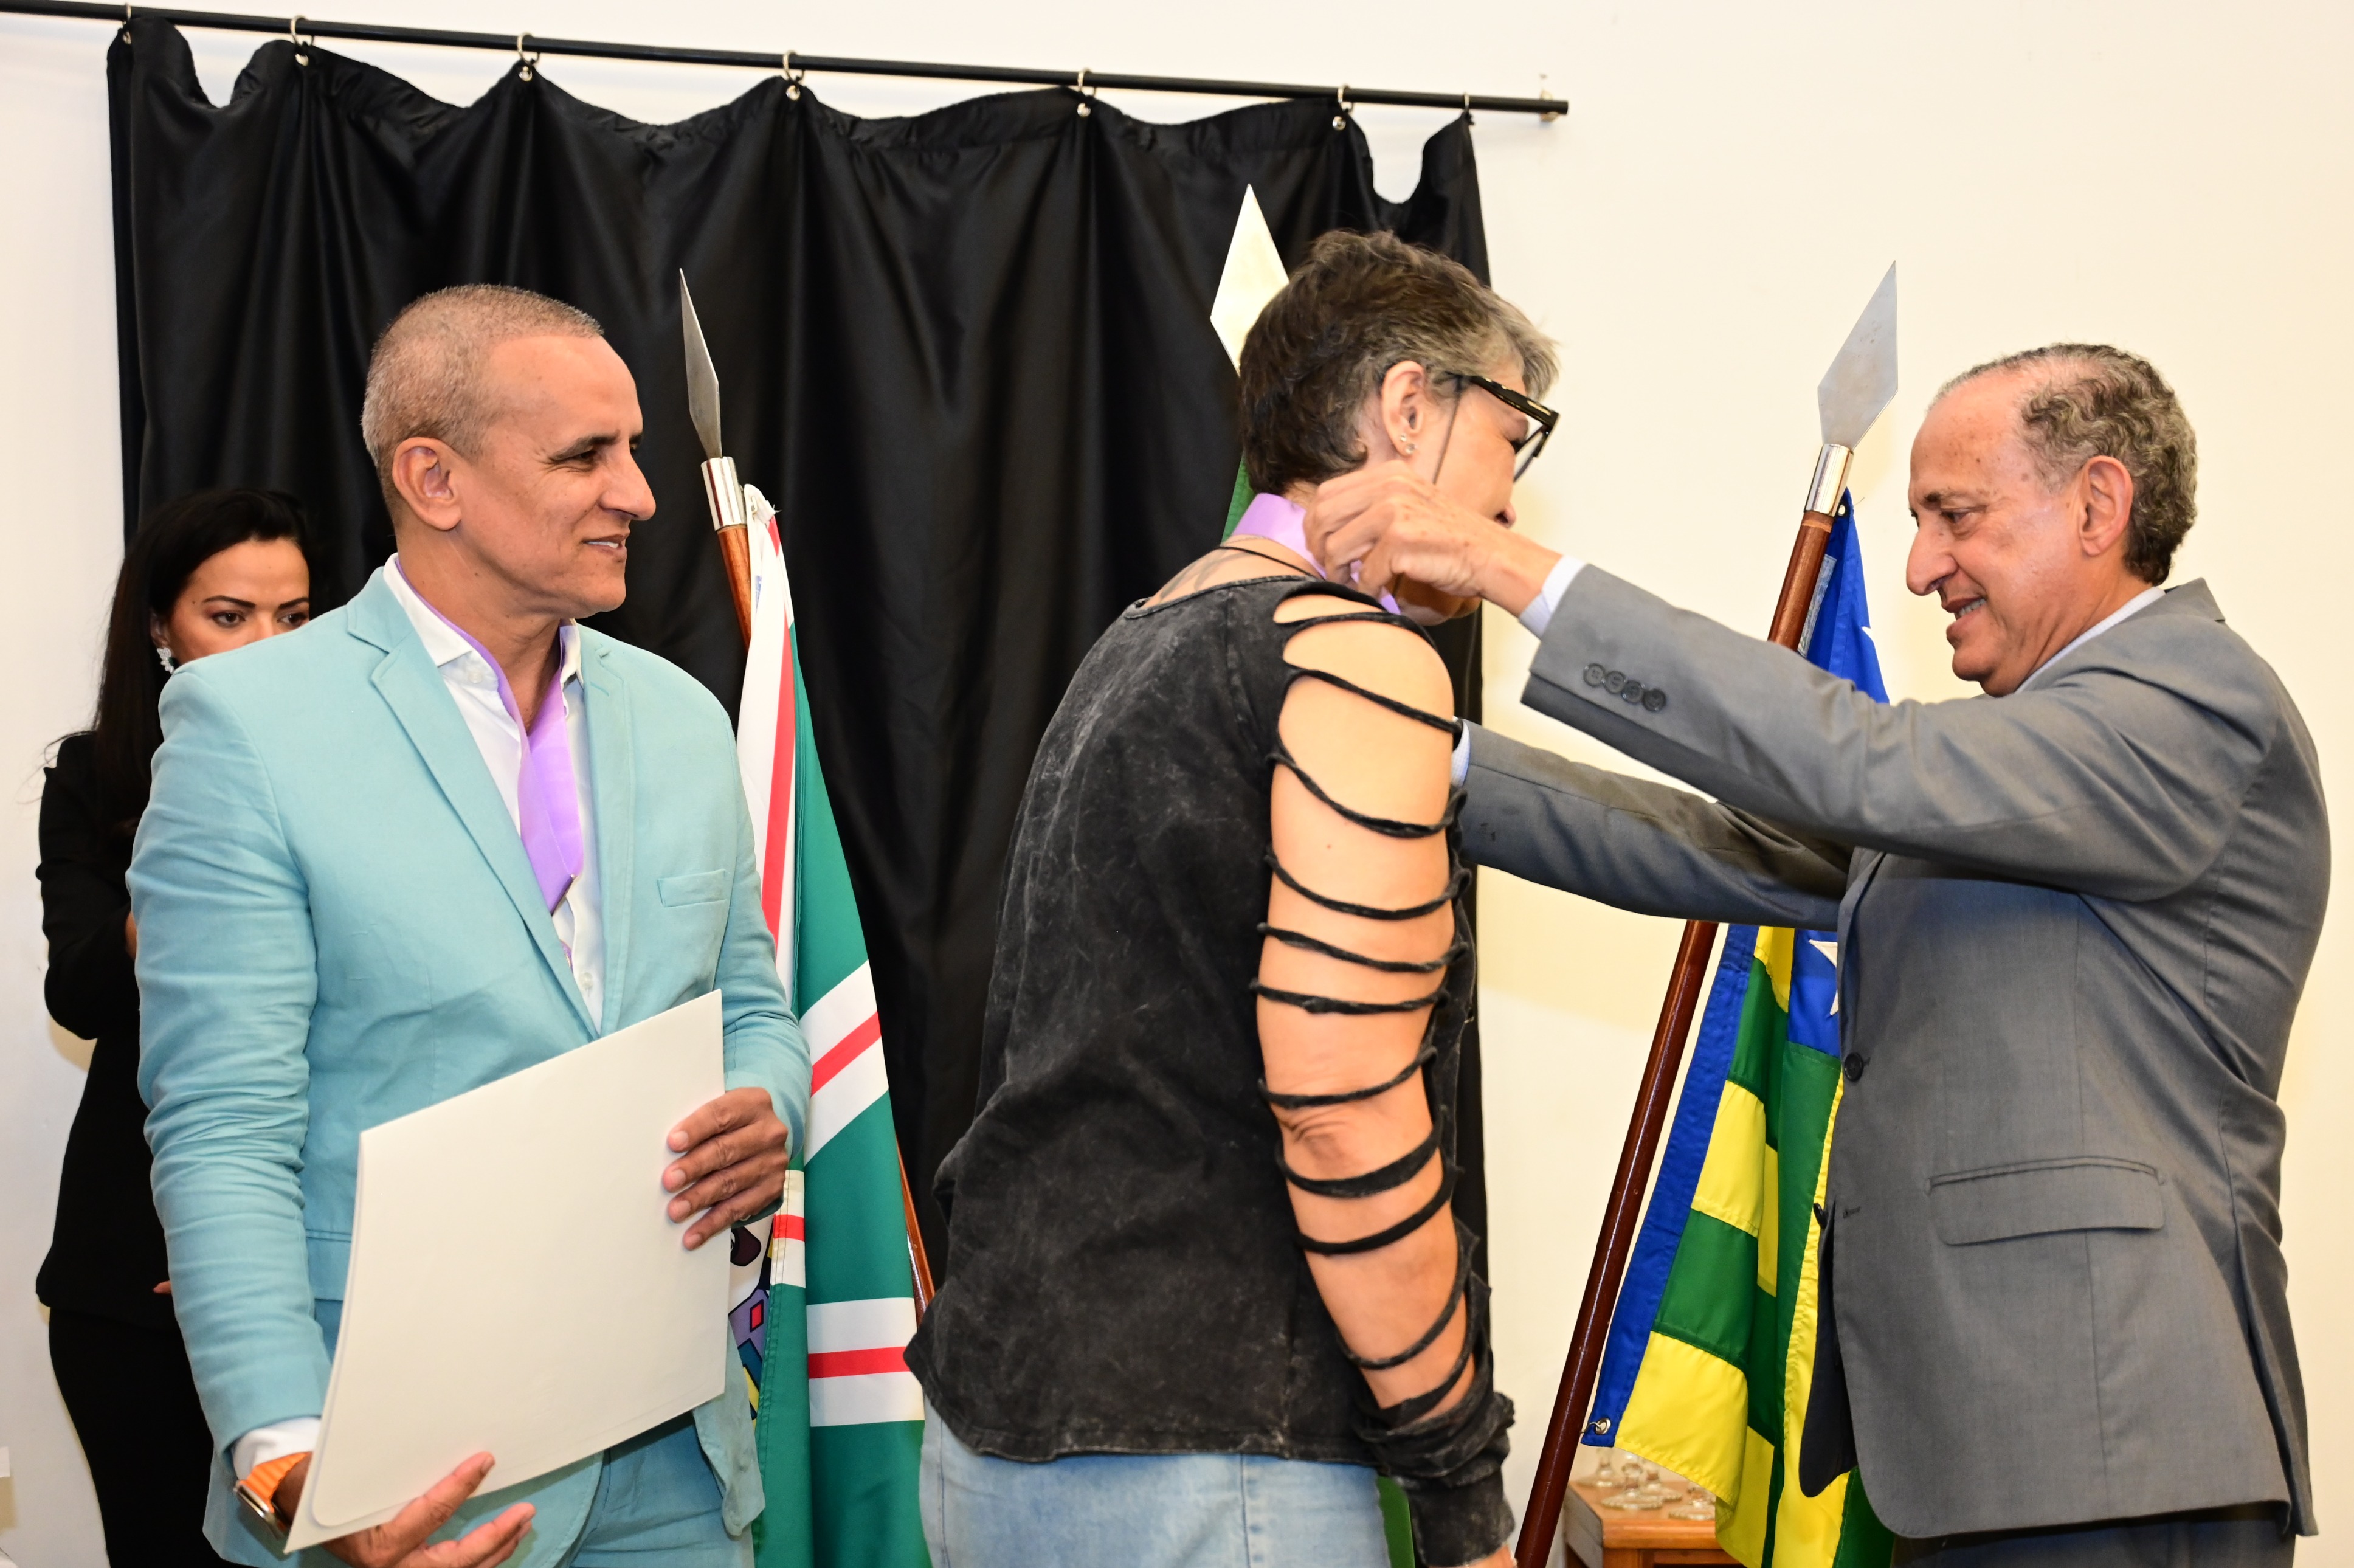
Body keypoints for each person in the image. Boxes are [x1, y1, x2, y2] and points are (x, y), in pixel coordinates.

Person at [1306, 344, 2322, 1564]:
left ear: (2098, 505)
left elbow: (1862, 762)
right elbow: (1719, 848)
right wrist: (1415, 748)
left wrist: (1508, 568)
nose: (1920, 566)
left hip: (2116, 1446)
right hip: (1986, 1451)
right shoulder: (2014, 766)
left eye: (1955, 515)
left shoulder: (2195, 698)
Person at [905, 231, 1558, 1568]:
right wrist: (1459, 1487)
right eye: (1513, 433)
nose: (1511, 495)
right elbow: (1340, 1105)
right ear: (1409, 407)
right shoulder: (1353, 656)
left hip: (1000, 1429)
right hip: (1211, 1455)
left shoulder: (1142, 634)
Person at [131, 284, 809, 1568]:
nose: (638, 494)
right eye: (583, 456)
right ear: (433, 479)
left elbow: (752, 1006)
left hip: (675, 1457)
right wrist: (292, 1470)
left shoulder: (680, 715)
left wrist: (765, 1105)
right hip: (397, 1477)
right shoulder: (250, 729)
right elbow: (223, 1132)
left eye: (633, 450)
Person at [39, 488, 313, 1566]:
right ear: (162, 629)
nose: (266, 646)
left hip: (322, 1253)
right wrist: (198, 843)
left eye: (294, 617)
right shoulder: (98, 773)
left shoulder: (362, 775)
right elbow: (82, 990)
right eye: (229, 616)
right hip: (134, 1265)